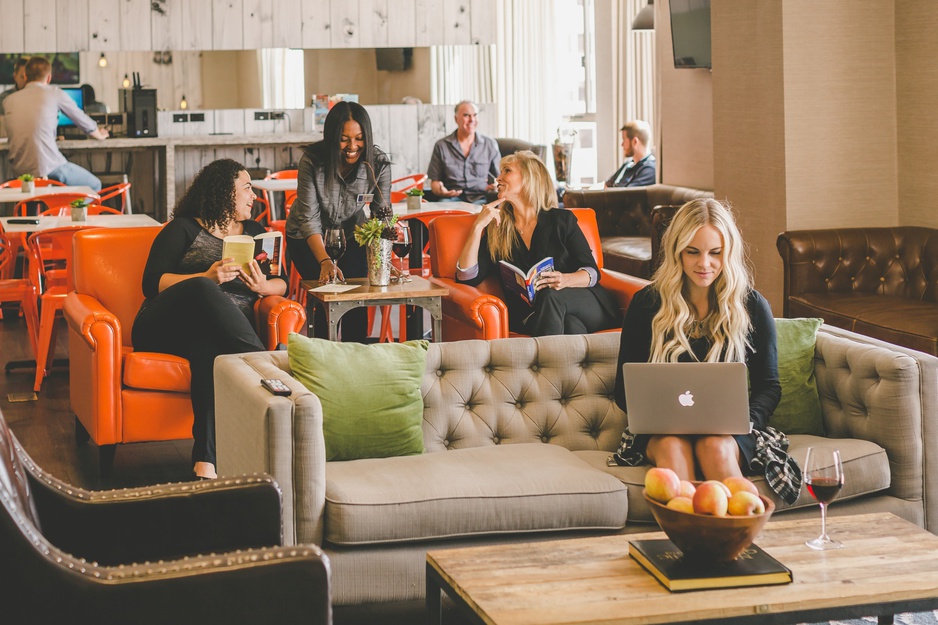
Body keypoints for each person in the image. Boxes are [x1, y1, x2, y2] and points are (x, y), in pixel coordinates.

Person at [612, 198, 801, 503]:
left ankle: (738, 535)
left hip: (731, 429)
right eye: (693, 252)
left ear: (728, 253)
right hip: (662, 429)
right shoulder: (646, 304)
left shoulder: (751, 305)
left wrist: (745, 421)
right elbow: (623, 389)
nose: (704, 264)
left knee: (715, 444)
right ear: (677, 251)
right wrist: (656, 417)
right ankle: (689, 541)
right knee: (673, 446)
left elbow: (769, 386)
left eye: (716, 253)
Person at [132, 158, 287, 480]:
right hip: (163, 325)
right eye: (246, 188)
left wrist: (263, 286)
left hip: (216, 336)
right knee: (202, 286)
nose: (253, 195)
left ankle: (205, 461)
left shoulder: (257, 233)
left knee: (209, 353)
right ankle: (266, 361)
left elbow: (281, 282)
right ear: (224, 193)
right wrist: (206, 276)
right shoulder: (184, 227)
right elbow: (150, 284)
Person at [456, 150, 620, 336]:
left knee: (550, 295)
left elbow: (591, 272)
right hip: (536, 316)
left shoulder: (561, 220)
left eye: (507, 171)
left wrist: (565, 279)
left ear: (528, 179)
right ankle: (562, 364)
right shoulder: (498, 229)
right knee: (571, 326)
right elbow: (467, 277)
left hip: (585, 303)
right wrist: (477, 227)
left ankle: (540, 362)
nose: (498, 178)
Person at [285, 101, 391, 342]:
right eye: (344, 139)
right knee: (325, 299)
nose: (352, 147)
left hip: (352, 234)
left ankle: (355, 360)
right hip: (307, 238)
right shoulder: (312, 161)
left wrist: (384, 256)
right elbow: (308, 218)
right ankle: (321, 361)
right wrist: (324, 261)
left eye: (359, 138)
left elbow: (382, 214)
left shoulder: (378, 163)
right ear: (332, 136)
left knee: (357, 299)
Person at [2, 56, 107, 191]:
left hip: (21, 172)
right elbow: (82, 120)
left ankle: (47, 211)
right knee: (94, 185)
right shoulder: (54, 93)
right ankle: (66, 212)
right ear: (49, 78)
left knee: (33, 196)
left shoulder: (8, 101)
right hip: (48, 168)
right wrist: (99, 134)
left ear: (25, 76)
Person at [427, 100, 500, 204]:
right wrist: (441, 191)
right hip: (451, 199)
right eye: (466, 115)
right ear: (456, 119)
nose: (472, 120)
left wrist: (496, 186)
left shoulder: (490, 144)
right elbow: (434, 182)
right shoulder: (441, 145)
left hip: (481, 198)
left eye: (475, 115)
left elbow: (501, 178)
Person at [605, 120, 656, 188]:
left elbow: (626, 196)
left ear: (635, 142)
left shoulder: (649, 170)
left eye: (624, 140)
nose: (622, 144)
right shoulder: (628, 164)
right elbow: (607, 185)